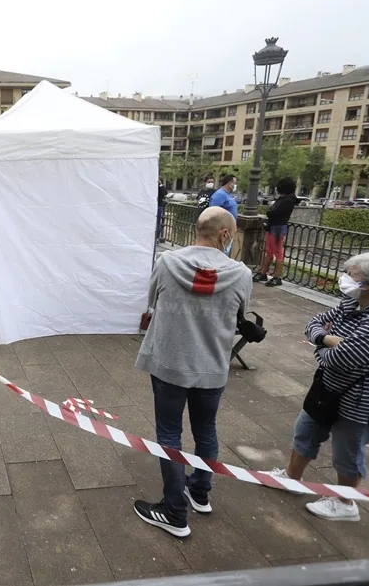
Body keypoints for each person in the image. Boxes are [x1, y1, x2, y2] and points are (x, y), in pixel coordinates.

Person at [133, 207, 253, 538]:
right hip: (213, 366)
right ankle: (199, 490)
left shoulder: (168, 263)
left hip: (170, 363)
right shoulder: (241, 274)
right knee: (206, 430)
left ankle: (174, 511)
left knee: (169, 434)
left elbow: (151, 299)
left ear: (197, 229)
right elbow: (242, 313)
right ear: (226, 235)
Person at [263, 252, 369, 522]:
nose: (344, 279)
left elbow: (341, 360)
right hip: (329, 389)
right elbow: (314, 323)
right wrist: (328, 339)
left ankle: (345, 502)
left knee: (347, 453)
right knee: (305, 431)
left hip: (359, 401)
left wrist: (320, 347)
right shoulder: (352, 303)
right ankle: (292, 478)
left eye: (352, 275)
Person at [254, 177, 299, 287]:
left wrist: (270, 213)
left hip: (278, 227)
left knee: (278, 253)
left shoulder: (287, 200)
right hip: (273, 226)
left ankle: (277, 277)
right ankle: (263, 272)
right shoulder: (284, 199)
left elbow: (273, 212)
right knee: (269, 251)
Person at [156, 178, 168, 243]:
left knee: (158, 223)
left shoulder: (160, 188)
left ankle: (157, 237)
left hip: (159, 206)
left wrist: (160, 185)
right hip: (155, 205)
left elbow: (165, 192)